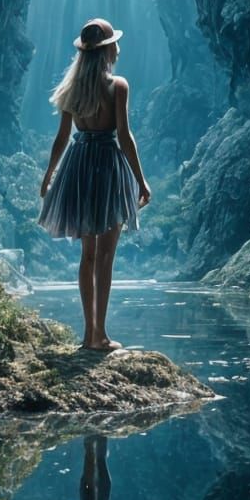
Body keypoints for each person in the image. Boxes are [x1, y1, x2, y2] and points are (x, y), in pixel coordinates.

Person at [39, 18, 150, 352]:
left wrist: (49, 176)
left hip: (79, 165)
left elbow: (62, 139)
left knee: (87, 255)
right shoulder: (118, 86)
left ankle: (89, 335)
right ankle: (100, 334)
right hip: (107, 166)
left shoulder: (72, 90)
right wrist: (141, 181)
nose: (118, 47)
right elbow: (125, 137)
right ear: (107, 50)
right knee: (106, 256)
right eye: (114, 43)